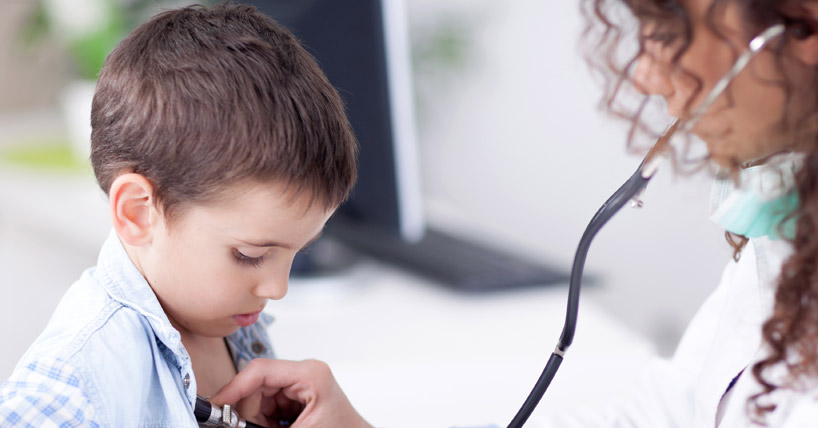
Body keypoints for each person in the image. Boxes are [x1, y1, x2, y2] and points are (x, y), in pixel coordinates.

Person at [207, 0, 818, 427]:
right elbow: (670, 413)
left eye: (669, 28)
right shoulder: (784, 245)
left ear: (802, 26)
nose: (645, 73)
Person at [0, 3, 372, 427]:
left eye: (298, 251)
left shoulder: (220, 315)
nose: (278, 288)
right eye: (250, 255)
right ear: (138, 212)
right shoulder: (80, 380)